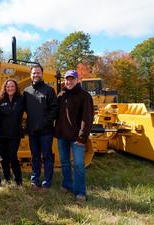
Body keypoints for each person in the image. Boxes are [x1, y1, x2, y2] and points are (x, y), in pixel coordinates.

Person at [55, 70, 94, 202]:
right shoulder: (61, 95)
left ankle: (80, 192)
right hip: (62, 136)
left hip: (77, 138)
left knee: (78, 164)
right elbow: (57, 116)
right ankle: (67, 185)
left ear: (77, 80)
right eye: (67, 79)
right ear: (64, 80)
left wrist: (82, 138)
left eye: (72, 79)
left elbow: (87, 118)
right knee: (64, 163)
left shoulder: (85, 96)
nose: (69, 81)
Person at [23, 64, 58, 191]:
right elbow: (24, 109)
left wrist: (44, 123)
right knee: (35, 157)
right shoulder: (26, 91)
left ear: (42, 74)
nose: (35, 75)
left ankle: (46, 182)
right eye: (33, 73)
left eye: (38, 73)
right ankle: (34, 180)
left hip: (45, 131)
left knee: (47, 156)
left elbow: (54, 109)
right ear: (30, 75)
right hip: (32, 131)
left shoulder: (49, 90)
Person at [0, 79, 24, 186]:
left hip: (14, 134)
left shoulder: (21, 99)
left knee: (12, 156)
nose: (10, 88)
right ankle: (7, 178)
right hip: (1, 134)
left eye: (12, 86)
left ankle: (18, 180)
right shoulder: (0, 99)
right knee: (4, 158)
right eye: (8, 86)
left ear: (16, 87)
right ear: (5, 88)